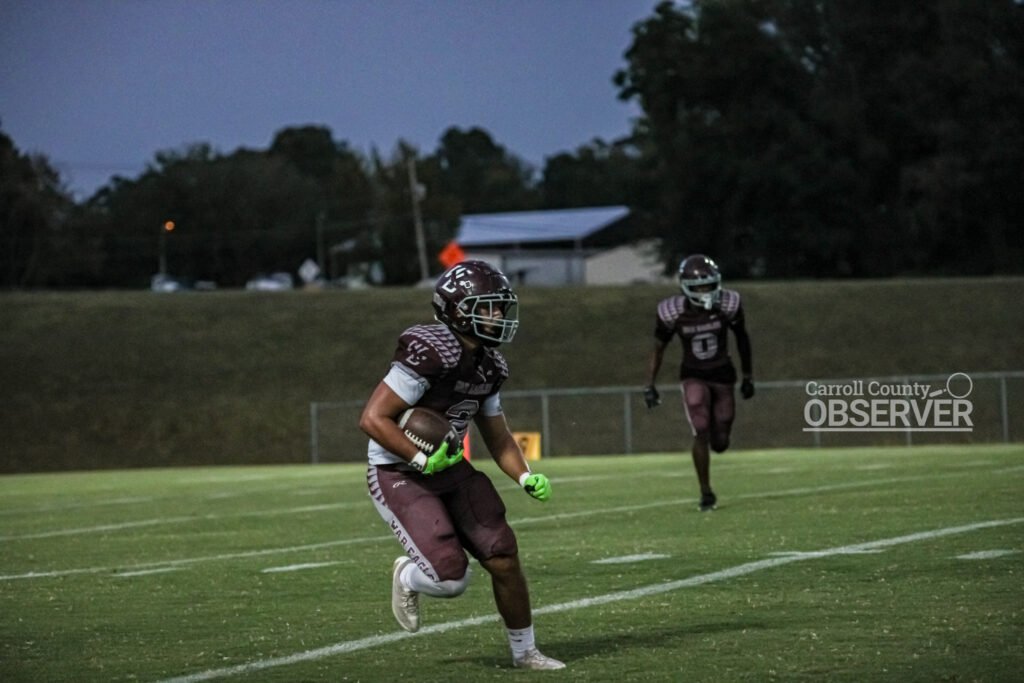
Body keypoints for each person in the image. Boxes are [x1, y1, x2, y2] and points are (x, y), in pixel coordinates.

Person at [358, 260, 565, 671]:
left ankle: (525, 652)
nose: (498, 316)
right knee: (451, 579)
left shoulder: (490, 365)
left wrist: (524, 475)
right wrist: (420, 457)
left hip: (449, 467)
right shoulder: (430, 350)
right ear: (456, 310)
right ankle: (406, 576)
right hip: (400, 471)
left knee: (503, 554)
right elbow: (372, 418)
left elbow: (498, 435)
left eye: (500, 307)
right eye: (487, 307)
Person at [643, 254, 754, 511]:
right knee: (700, 428)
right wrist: (649, 384)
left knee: (721, 441)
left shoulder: (728, 304)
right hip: (693, 374)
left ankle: (716, 445)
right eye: (699, 287)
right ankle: (706, 492)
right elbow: (658, 349)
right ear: (685, 287)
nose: (705, 292)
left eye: (708, 285)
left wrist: (748, 376)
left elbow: (742, 340)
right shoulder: (672, 312)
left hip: (723, 374)